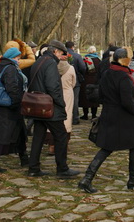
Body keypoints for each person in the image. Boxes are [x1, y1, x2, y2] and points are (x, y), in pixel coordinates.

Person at [78, 48, 134, 193]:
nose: (131, 59)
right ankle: (132, 180)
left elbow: (102, 95)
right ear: (124, 60)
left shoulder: (107, 73)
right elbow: (127, 101)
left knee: (108, 148)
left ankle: (87, 178)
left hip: (109, 114)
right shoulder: (123, 77)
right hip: (125, 117)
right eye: (129, 57)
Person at [27, 40, 80, 178]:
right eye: (61, 53)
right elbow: (52, 86)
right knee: (61, 136)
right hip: (49, 106)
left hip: (38, 105)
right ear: (55, 51)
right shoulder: (50, 63)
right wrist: (60, 103)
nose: (61, 56)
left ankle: (33, 168)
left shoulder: (39, 61)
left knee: (38, 137)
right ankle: (62, 169)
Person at [0, 47, 29, 172]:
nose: (19, 60)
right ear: (12, 57)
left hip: (9, 107)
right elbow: (12, 87)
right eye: (18, 57)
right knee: (3, 135)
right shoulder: (10, 68)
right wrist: (16, 102)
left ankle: (24, 158)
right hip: (9, 107)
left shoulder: (6, 66)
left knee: (20, 132)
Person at [47, 54, 76, 155]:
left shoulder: (53, 68)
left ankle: (51, 145)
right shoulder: (71, 68)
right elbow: (74, 82)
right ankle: (65, 144)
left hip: (54, 93)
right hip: (67, 93)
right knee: (67, 118)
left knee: (52, 115)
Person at [65, 41, 85, 126]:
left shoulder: (62, 55)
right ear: (73, 47)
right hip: (75, 79)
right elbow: (83, 67)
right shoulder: (77, 56)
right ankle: (75, 118)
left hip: (64, 80)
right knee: (75, 100)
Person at [79, 46, 101, 120]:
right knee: (94, 97)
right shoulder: (98, 59)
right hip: (95, 80)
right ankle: (94, 115)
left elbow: (82, 68)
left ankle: (85, 115)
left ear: (88, 51)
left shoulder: (85, 59)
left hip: (86, 80)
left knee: (85, 98)